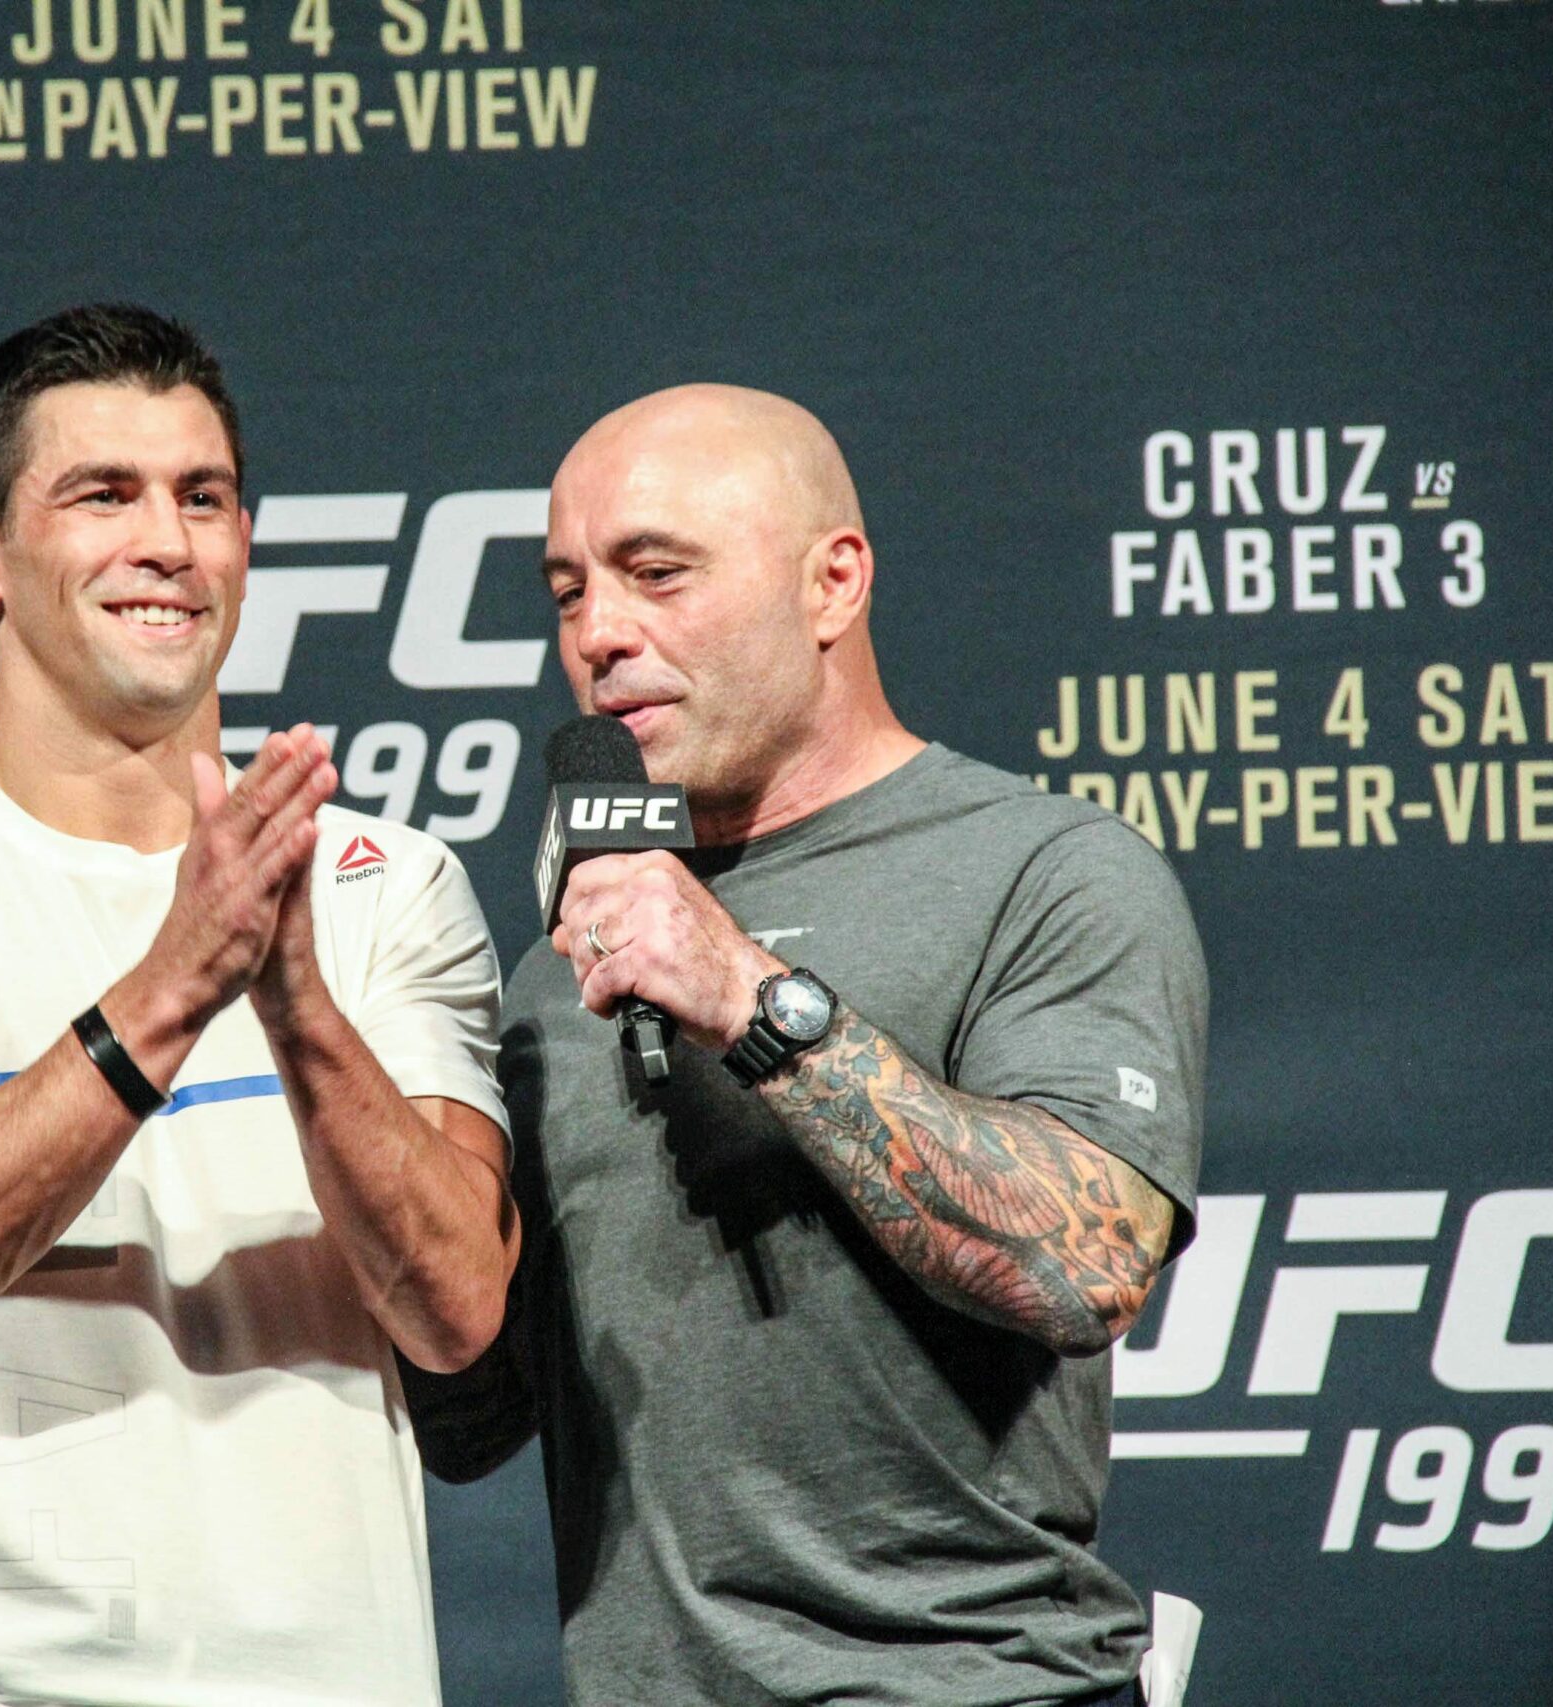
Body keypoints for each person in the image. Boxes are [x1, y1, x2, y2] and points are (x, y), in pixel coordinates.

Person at [408, 386, 1207, 1707]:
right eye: (569, 592)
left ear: (831, 582)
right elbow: (475, 1423)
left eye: (657, 573)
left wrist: (748, 993)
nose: (602, 633)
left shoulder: (1048, 870)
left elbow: (1086, 1263)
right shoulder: (570, 965)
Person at [0, 303, 516, 1707]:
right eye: (102, 493)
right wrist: (178, 980)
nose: (168, 540)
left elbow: (462, 1307)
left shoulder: (387, 882)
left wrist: (296, 1006)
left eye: (205, 497)